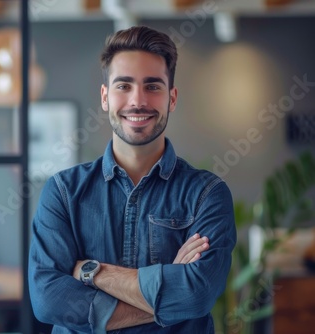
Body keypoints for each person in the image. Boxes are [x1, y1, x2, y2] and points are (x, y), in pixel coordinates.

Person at [28, 25, 236, 333]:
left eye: (153, 86)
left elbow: (197, 294)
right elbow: (47, 300)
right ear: (105, 97)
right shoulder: (62, 192)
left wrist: (92, 273)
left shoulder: (207, 194)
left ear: (172, 98)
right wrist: (168, 292)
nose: (138, 101)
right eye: (123, 86)